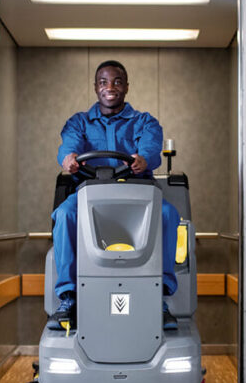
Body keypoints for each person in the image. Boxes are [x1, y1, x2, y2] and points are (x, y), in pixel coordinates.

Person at [49, 60, 180, 331]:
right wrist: (68, 159)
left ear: (127, 87)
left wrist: (144, 159)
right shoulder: (79, 122)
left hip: (137, 195)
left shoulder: (144, 121)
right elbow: (68, 147)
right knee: (63, 214)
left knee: (169, 213)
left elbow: (151, 149)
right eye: (103, 82)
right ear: (96, 87)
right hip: (89, 195)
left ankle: (160, 296)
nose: (110, 87)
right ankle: (69, 297)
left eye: (117, 81)